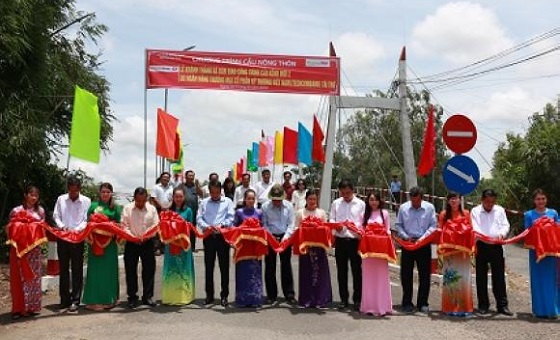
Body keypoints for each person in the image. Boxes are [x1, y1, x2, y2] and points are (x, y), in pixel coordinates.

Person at [396, 186, 437, 313]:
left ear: (421, 198)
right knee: (406, 274)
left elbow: (433, 225)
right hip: (408, 243)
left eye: (417, 201)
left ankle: (422, 303)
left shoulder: (429, 208)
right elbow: (398, 225)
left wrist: (423, 239)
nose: (415, 203)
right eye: (413, 201)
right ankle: (407, 302)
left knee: (424, 275)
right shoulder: (403, 208)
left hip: (423, 244)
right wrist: (406, 237)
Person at [471, 189, 512, 316]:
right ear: (482, 200)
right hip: (481, 246)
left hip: (497, 246)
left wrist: (501, 234)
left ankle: (502, 306)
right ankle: (483, 305)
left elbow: (506, 225)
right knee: (481, 277)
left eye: (492, 202)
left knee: (499, 276)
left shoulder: (499, 210)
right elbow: (475, 227)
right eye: (487, 202)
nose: (490, 204)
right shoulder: (475, 211)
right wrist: (485, 237)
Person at [53, 175, 91, 313]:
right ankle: (64, 300)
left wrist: (76, 230)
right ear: (68, 189)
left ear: (79, 189)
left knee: (77, 269)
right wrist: (62, 226)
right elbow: (56, 215)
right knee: (63, 269)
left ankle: (75, 300)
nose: (73, 193)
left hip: (77, 238)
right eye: (70, 191)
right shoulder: (61, 199)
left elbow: (86, 219)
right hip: (63, 237)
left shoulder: (86, 201)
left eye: (75, 191)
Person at [290, 189, 332, 308]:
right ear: (306, 200)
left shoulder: (321, 213)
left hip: (319, 248)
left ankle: (320, 299)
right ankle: (306, 299)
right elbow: (296, 229)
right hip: (306, 248)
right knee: (306, 273)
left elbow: (326, 229)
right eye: (310, 199)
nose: (312, 201)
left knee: (320, 274)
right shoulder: (300, 213)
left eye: (314, 199)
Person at [83, 183, 122, 311]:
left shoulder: (115, 208)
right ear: (99, 193)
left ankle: (109, 300)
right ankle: (92, 301)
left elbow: (119, 225)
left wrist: (108, 224)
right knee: (95, 272)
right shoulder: (93, 206)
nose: (105, 194)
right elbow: (87, 223)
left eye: (108, 192)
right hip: (95, 244)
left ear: (111, 193)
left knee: (109, 272)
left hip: (109, 246)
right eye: (103, 192)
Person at [8, 186, 46, 319]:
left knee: (33, 279)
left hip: (34, 251)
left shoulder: (40, 211)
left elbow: (43, 228)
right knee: (19, 278)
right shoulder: (16, 210)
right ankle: (18, 309)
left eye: (36, 195)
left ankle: (32, 307)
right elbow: (10, 228)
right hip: (19, 251)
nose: (34, 198)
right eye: (31, 194)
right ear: (25, 195)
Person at [329, 179, 365, 310]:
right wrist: (335, 227)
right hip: (341, 240)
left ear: (353, 190)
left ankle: (357, 300)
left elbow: (363, 221)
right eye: (343, 193)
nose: (345, 195)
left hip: (355, 241)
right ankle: (344, 299)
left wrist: (357, 229)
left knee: (357, 272)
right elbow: (332, 218)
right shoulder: (336, 203)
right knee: (341, 272)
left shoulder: (361, 204)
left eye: (348, 192)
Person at [197, 180, 234, 307]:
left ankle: (224, 295)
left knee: (224, 268)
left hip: (223, 237)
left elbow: (230, 217)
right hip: (209, 237)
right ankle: (209, 295)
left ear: (221, 190)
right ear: (209, 191)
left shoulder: (227, 201)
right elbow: (199, 218)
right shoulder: (204, 202)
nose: (215, 195)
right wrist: (207, 226)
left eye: (217, 192)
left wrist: (222, 225)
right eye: (212, 192)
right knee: (209, 267)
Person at [523, 188, 559, 319]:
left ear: (546, 199)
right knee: (537, 281)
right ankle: (538, 310)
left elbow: (557, 230)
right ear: (534, 201)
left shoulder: (553, 213)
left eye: (543, 198)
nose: (541, 201)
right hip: (536, 254)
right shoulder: (528, 215)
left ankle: (552, 310)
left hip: (550, 254)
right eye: (538, 199)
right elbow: (527, 233)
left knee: (551, 281)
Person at [122, 187, 160, 309]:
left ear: (146, 199)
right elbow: (124, 225)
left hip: (147, 242)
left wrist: (146, 236)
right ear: (134, 198)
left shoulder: (152, 209)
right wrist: (133, 237)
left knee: (149, 270)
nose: (140, 204)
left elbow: (156, 225)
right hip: (131, 242)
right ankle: (132, 297)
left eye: (143, 201)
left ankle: (147, 296)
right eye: (138, 201)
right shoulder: (127, 208)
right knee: (131, 270)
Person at [438, 192, 473, 316]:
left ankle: (465, 308)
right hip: (449, 254)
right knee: (451, 279)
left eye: (456, 198)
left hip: (463, 253)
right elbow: (441, 233)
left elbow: (470, 231)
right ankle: (449, 307)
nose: (453, 201)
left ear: (460, 200)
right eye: (451, 199)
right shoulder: (443, 215)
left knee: (464, 279)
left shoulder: (467, 213)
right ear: (448, 201)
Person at [261, 184, 296, 304]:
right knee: (270, 267)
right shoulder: (265, 207)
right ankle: (271, 295)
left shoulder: (289, 206)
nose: (276, 202)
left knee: (286, 266)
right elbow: (264, 224)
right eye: (274, 200)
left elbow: (291, 224)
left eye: (279, 200)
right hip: (270, 237)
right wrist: (271, 237)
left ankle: (289, 294)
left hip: (285, 237)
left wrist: (285, 238)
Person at [360, 192, 392, 316]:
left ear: (379, 201)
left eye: (375, 200)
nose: (373, 202)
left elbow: (388, 230)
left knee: (381, 278)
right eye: (371, 200)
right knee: (368, 278)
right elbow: (361, 231)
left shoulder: (384, 214)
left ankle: (382, 306)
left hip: (381, 252)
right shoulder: (364, 215)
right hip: (368, 253)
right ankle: (369, 306)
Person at [162, 187, 195, 305]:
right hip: (170, 245)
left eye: (180, 196)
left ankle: (185, 296)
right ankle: (170, 296)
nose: (178, 199)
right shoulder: (167, 211)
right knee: (172, 268)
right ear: (173, 197)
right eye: (176, 197)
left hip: (184, 245)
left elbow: (190, 227)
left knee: (183, 269)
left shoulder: (189, 211)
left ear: (184, 197)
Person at [233, 189, 264, 307]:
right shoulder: (239, 212)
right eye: (249, 198)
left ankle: (255, 298)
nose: (251, 201)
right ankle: (242, 299)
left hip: (255, 247)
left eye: (253, 198)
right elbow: (234, 227)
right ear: (245, 199)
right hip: (242, 248)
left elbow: (262, 228)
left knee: (254, 273)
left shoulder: (259, 212)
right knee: (243, 273)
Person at [150, 172, 173, 255]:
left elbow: (172, 199)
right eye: (164, 177)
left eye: (167, 177)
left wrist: (168, 207)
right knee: (157, 230)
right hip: (158, 210)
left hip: (168, 211)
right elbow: (153, 198)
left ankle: (164, 247)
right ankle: (157, 248)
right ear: (161, 178)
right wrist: (162, 207)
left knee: (166, 229)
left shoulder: (171, 188)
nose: (166, 179)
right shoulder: (156, 187)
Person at [182, 170, 202, 252]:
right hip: (184, 211)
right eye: (189, 175)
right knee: (183, 229)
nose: (191, 177)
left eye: (192, 176)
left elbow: (201, 194)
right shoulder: (181, 186)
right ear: (185, 177)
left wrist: (197, 186)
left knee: (192, 229)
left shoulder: (195, 187)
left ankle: (192, 247)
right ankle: (183, 245)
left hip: (193, 211)